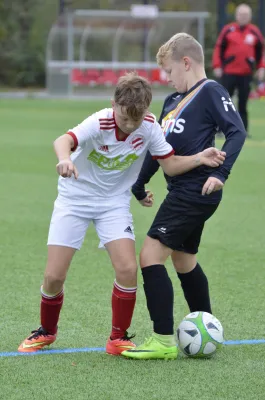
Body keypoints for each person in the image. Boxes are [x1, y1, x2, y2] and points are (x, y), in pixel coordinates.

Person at [17, 72, 225, 354]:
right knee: (54, 276)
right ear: (113, 103)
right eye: (124, 118)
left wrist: (200, 157)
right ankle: (47, 331)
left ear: (146, 112)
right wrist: (65, 159)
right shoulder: (100, 120)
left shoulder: (150, 126)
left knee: (127, 269)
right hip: (74, 200)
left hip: (113, 203)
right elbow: (62, 140)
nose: (129, 126)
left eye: (135, 120)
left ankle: (118, 337)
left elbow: (171, 164)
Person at [121, 33, 246, 360]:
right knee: (183, 259)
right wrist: (139, 184)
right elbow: (158, 149)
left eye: (169, 70)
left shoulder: (210, 91)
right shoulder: (171, 102)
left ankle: (162, 341)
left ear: (186, 62)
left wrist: (221, 173)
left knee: (149, 256)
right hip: (181, 190)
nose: (167, 77)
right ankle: (209, 327)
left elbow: (237, 131)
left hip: (196, 190)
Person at [212, 3, 265, 135]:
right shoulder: (228, 30)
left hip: (246, 74)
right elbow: (218, 48)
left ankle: (243, 130)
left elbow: (261, 52)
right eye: (241, 14)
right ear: (236, 15)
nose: (243, 17)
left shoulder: (254, 32)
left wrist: (261, 68)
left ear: (250, 16)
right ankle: (219, 129)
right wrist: (217, 66)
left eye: (246, 15)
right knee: (224, 102)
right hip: (228, 73)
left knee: (243, 104)